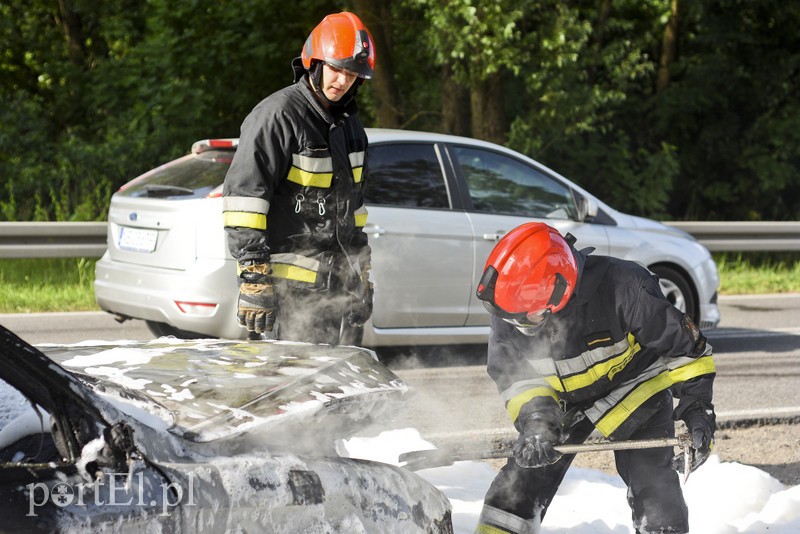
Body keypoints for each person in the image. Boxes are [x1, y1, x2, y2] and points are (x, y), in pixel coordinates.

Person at [473, 222, 716, 534]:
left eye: (527, 318)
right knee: (518, 484)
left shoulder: (627, 288)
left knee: (655, 490)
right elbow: (514, 377)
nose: (517, 325)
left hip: (634, 391)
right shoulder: (510, 306)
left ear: (558, 292)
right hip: (560, 402)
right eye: (510, 318)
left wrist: (698, 410)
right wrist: (536, 423)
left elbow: (687, 351)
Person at [222, 12, 376, 345]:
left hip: (337, 294)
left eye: (352, 74)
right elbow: (243, 205)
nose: (342, 81)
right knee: (285, 391)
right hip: (286, 298)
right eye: (336, 69)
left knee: (335, 390)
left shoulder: (350, 126)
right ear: (316, 63)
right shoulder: (277, 116)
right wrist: (253, 278)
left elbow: (354, 211)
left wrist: (361, 275)